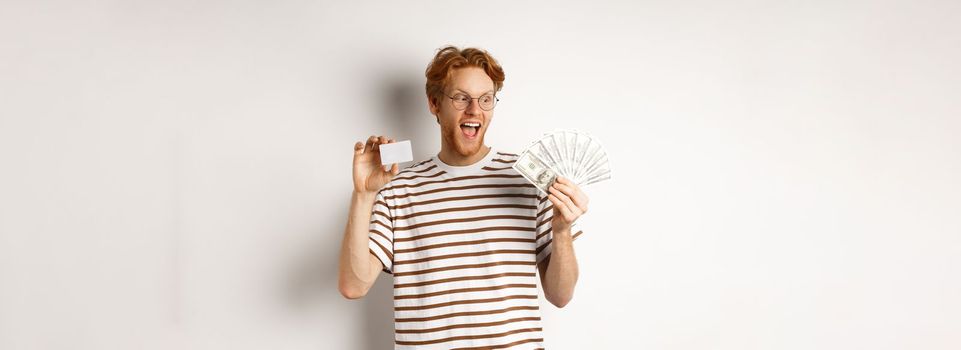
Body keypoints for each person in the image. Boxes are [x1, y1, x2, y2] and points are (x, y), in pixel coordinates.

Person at [337, 45, 588, 349]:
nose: (474, 110)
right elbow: (353, 285)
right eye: (461, 98)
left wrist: (561, 231)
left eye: (485, 99)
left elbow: (560, 295)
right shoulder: (399, 189)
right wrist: (363, 194)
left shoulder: (528, 180)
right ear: (434, 103)